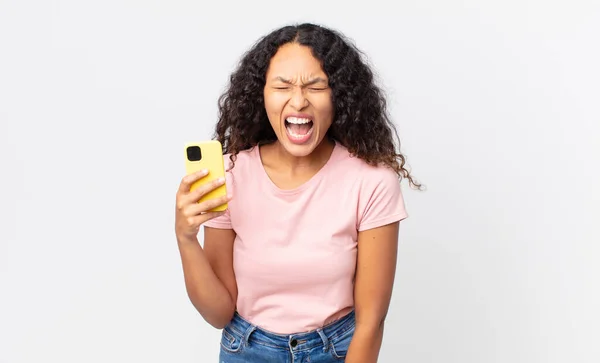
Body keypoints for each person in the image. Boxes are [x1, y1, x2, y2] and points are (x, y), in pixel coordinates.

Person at [174, 23, 421, 363]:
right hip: (246, 350)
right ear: (261, 94)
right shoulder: (231, 175)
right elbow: (218, 313)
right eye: (282, 86)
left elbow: (370, 321)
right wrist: (186, 238)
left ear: (339, 97)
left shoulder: (372, 181)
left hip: (336, 351)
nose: (299, 100)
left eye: (316, 87)